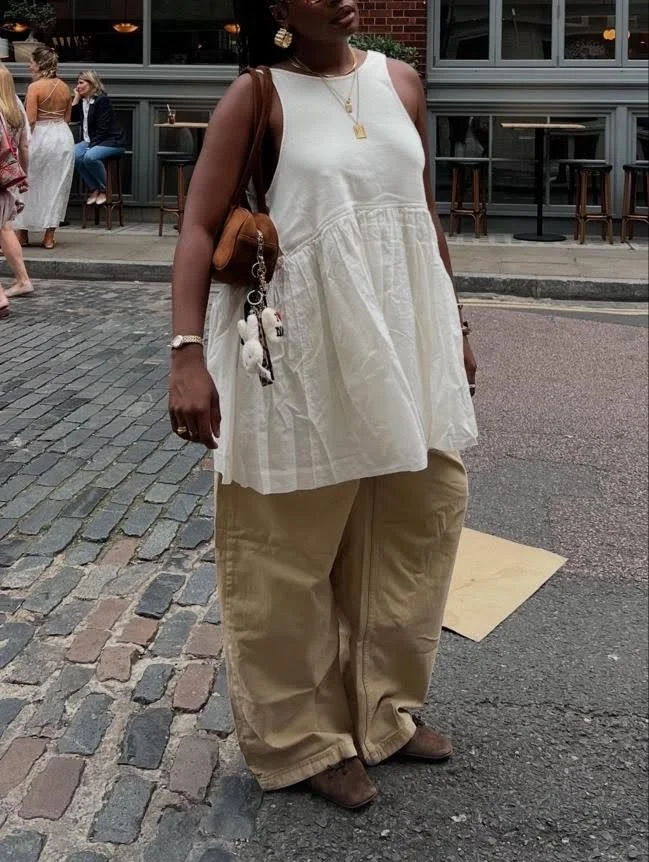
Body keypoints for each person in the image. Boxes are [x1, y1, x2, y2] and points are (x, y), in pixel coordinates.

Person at [168, 0, 478, 810]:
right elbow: (198, 228)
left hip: (403, 337)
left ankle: (383, 712)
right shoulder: (257, 94)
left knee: (413, 524)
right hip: (301, 347)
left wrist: (454, 325)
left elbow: (422, 217)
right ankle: (301, 739)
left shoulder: (400, 81)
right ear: (278, 7)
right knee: (284, 550)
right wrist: (186, 354)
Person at [13, 46, 74, 250]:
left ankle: (22, 234)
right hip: (62, 136)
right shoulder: (65, 87)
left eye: (31, 62)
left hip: (41, 136)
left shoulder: (35, 87)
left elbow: (30, 120)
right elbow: (67, 117)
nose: (29, 66)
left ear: (40, 64)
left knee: (28, 183)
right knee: (56, 186)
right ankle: (49, 237)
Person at [0, 63, 33, 316]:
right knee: (4, 228)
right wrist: (22, 174)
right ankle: (21, 280)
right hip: (7, 180)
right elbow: (24, 147)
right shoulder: (16, 109)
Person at [71, 71, 126, 206]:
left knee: (89, 157)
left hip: (111, 141)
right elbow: (73, 119)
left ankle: (104, 189)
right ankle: (94, 188)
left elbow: (103, 129)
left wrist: (89, 148)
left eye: (81, 83)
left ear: (91, 84)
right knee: (72, 154)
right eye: (77, 83)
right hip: (91, 141)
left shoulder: (102, 101)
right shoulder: (83, 101)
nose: (78, 86)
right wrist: (76, 98)